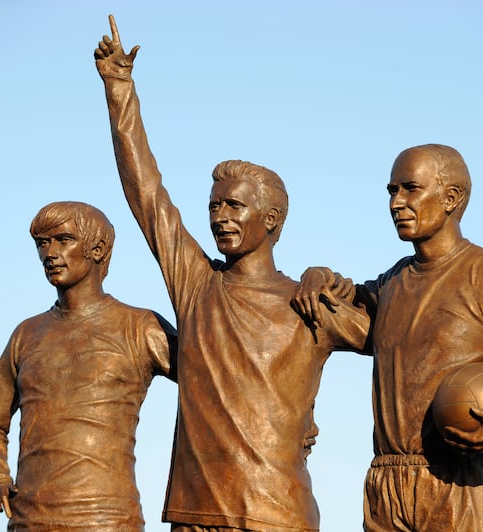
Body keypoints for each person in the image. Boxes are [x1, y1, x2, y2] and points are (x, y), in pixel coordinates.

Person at [94, 15, 370, 531]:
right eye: (215, 206)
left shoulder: (310, 303)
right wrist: (119, 90)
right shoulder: (198, 286)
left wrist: (331, 277)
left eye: (235, 206)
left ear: (271, 220)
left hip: (277, 516)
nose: (220, 216)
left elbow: (397, 339)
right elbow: (147, 194)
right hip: (195, 513)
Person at [293, 144, 483, 531]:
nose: (396, 203)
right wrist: (319, 273)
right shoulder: (391, 283)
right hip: (386, 486)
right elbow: (345, 296)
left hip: (461, 482)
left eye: (410, 188)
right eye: (391, 191)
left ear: (451, 198)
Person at [0, 201, 177, 531]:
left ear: (97, 249)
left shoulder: (140, 327)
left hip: (108, 520)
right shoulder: (26, 334)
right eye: (42, 243)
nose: (49, 254)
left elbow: (214, 379)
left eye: (63, 240)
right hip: (30, 521)